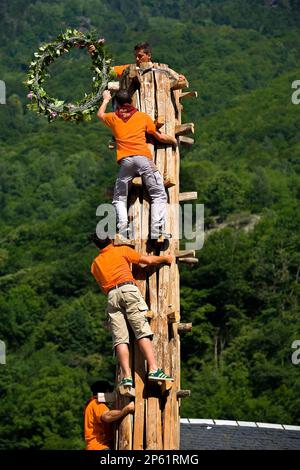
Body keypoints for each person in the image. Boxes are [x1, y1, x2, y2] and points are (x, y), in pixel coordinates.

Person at [90, 234, 174, 387]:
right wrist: (165, 259)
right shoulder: (121, 250)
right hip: (127, 289)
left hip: (111, 296)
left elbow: (103, 286)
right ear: (111, 240)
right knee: (141, 330)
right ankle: (154, 369)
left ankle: (126, 376)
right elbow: (147, 260)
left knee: (120, 339)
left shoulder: (95, 264)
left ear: (96, 246)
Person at [97, 89, 177, 240]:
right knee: (158, 194)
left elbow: (100, 114)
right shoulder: (142, 117)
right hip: (143, 159)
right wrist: (173, 141)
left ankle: (123, 229)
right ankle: (156, 230)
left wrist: (106, 99)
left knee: (119, 197)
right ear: (131, 102)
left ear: (118, 104)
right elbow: (157, 136)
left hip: (126, 162)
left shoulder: (114, 117)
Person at [88, 41, 186, 82]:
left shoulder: (161, 69)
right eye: (135, 56)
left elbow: (180, 79)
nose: (137, 59)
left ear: (149, 55)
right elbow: (106, 70)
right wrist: (94, 54)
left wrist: (180, 78)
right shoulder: (129, 69)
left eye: (140, 56)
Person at [83, 380, 134, 450]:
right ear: (106, 392)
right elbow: (106, 416)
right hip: (100, 447)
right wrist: (125, 410)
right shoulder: (97, 403)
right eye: (110, 392)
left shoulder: (90, 404)